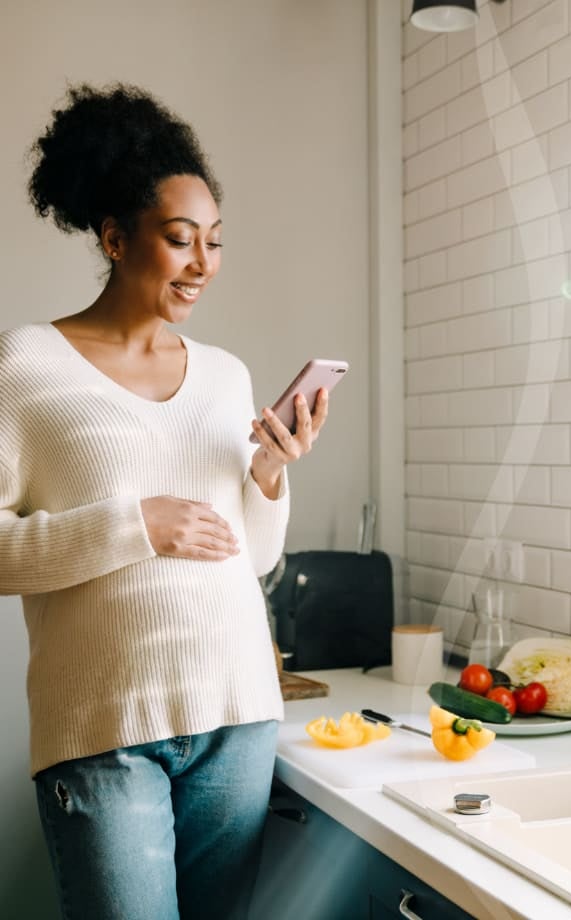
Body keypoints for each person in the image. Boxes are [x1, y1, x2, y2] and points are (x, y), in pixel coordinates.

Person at [0, 83, 328, 919]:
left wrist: (269, 478)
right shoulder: (27, 364)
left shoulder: (225, 376)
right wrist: (134, 523)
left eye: (214, 243)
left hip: (238, 712)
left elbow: (251, 557)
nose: (201, 264)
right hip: (101, 727)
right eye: (180, 240)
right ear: (114, 238)